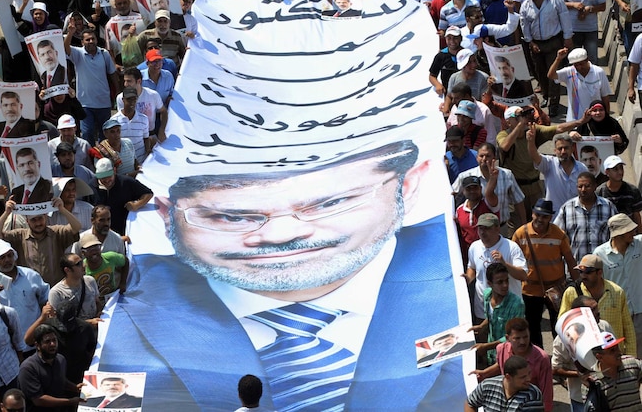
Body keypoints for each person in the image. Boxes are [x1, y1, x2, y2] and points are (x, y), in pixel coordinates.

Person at [98, 140, 468, 409]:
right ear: (167, 214)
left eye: (331, 202)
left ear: (408, 185)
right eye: (232, 215)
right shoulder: (127, 327)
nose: (281, 234)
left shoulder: (446, 292)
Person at [512, 198, 579, 348]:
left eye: (545, 216)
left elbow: (570, 259)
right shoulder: (520, 234)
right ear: (532, 214)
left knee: (559, 325)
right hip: (529, 291)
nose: (540, 219)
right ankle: (539, 359)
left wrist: (579, 285)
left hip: (555, 289)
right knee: (533, 327)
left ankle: (561, 358)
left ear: (550, 217)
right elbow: (514, 261)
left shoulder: (558, 234)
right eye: (537, 215)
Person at [0, 198, 81, 286]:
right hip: (30, 291)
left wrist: (62, 209)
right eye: (33, 220)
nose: (38, 223)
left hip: (55, 290)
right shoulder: (19, 236)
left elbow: (77, 227)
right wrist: (6, 213)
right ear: (27, 221)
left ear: (45, 217)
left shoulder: (56, 232)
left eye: (40, 218)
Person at [559, 254, 637, 354]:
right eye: (581, 272)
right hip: (586, 355)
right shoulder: (571, 293)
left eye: (587, 272)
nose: (583, 276)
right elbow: (563, 324)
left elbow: (628, 326)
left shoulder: (617, 292)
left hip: (613, 355)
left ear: (599, 272)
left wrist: (631, 355)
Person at [470, 318, 553, 410]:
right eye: (517, 338)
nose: (522, 342)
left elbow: (547, 393)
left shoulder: (542, 359)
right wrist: (485, 373)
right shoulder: (501, 349)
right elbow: (500, 365)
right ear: (507, 338)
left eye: (525, 337)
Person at [0, 239, 49, 358]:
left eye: (9, 256)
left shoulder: (31, 275)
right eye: (2, 257)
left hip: (35, 342)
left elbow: (45, 298)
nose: (7, 260)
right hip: (9, 349)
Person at [465, 213, 529, 324]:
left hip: (509, 311)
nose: (483, 232)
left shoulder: (511, 247)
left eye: (487, 228)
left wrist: (504, 263)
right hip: (482, 310)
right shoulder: (474, 247)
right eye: (480, 228)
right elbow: (472, 268)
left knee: (508, 340)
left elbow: (523, 275)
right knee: (485, 340)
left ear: (497, 228)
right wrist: (466, 279)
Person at [594, 214, 642, 357]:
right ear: (618, 234)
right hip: (616, 312)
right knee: (618, 351)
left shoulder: (639, 244)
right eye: (629, 230)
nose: (634, 232)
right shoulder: (600, 254)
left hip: (639, 309)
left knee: (639, 352)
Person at [453, 143, 526, 233]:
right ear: (477, 158)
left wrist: (524, 224)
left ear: (494, 158)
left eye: (488, 156)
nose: (484, 159)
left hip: (501, 228)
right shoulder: (465, 176)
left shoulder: (506, 175)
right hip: (476, 231)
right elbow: (452, 196)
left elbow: (518, 200)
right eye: (481, 156)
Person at [64, 24, 118, 145]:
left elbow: (113, 74)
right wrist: (70, 33)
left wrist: (118, 93)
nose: (91, 41)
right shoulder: (77, 54)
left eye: (93, 39)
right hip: (85, 104)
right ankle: (89, 161)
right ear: (82, 42)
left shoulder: (104, 54)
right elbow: (65, 48)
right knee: (87, 134)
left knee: (105, 135)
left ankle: (104, 161)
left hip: (103, 102)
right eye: (87, 39)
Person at [17, 325, 85, 411]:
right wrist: (70, 401)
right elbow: (39, 400)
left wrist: (75, 388)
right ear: (37, 345)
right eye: (47, 341)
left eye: (54, 340)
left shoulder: (61, 360)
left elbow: (61, 380)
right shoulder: (28, 368)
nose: (52, 344)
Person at [470, 263, 526, 365]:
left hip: (508, 357)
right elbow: (491, 317)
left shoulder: (516, 304)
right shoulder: (487, 295)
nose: (505, 285)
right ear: (490, 283)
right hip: (491, 355)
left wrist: (486, 346)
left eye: (506, 281)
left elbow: (514, 336)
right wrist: (481, 327)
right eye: (500, 282)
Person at [555, 173, 617, 262]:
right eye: (580, 186)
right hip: (576, 267)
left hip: (603, 266)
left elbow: (617, 235)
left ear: (595, 187)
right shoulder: (567, 209)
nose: (583, 190)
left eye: (587, 186)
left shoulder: (608, 207)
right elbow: (557, 236)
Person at [547, 47, 610, 122]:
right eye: (576, 65)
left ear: (587, 60)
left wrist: (606, 117)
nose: (579, 67)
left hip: (596, 118)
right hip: (575, 121)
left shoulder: (599, 72)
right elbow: (551, 75)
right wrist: (558, 59)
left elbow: (605, 96)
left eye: (581, 64)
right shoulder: (569, 72)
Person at [93, 159, 153, 235]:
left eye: (109, 176)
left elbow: (148, 194)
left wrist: (136, 205)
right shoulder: (91, 187)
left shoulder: (126, 182)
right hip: (100, 233)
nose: (107, 180)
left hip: (124, 231)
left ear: (114, 170)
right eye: (103, 177)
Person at [528, 133, 587, 209]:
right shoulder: (549, 164)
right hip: (554, 216)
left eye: (566, 148)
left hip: (575, 215)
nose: (563, 151)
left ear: (572, 149)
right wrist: (531, 141)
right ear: (555, 151)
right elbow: (534, 156)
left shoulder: (582, 168)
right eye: (560, 149)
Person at [465, 355, 544, 411]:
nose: (528, 379)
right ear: (508, 377)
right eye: (522, 377)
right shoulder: (486, 386)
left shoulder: (532, 395)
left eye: (529, 373)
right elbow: (470, 403)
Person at [589, 331, 642, 409]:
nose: (619, 353)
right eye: (612, 351)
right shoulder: (592, 382)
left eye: (617, 347)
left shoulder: (632, 363)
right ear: (599, 357)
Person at [49, 253, 101, 327]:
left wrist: (99, 312)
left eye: (82, 262)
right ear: (67, 270)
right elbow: (58, 321)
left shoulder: (90, 281)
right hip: (76, 334)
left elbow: (97, 301)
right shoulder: (56, 293)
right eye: (78, 264)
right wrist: (89, 323)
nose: (84, 265)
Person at [80, 235, 129, 301]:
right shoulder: (82, 269)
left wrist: (123, 283)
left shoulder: (111, 257)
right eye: (89, 249)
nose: (94, 252)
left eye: (96, 247)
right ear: (83, 253)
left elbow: (125, 261)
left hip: (113, 298)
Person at [596, 156, 642, 225]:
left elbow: (636, 215)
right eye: (615, 169)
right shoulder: (599, 192)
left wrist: (639, 234)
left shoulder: (633, 191)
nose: (620, 172)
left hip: (629, 233)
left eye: (621, 168)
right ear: (607, 172)